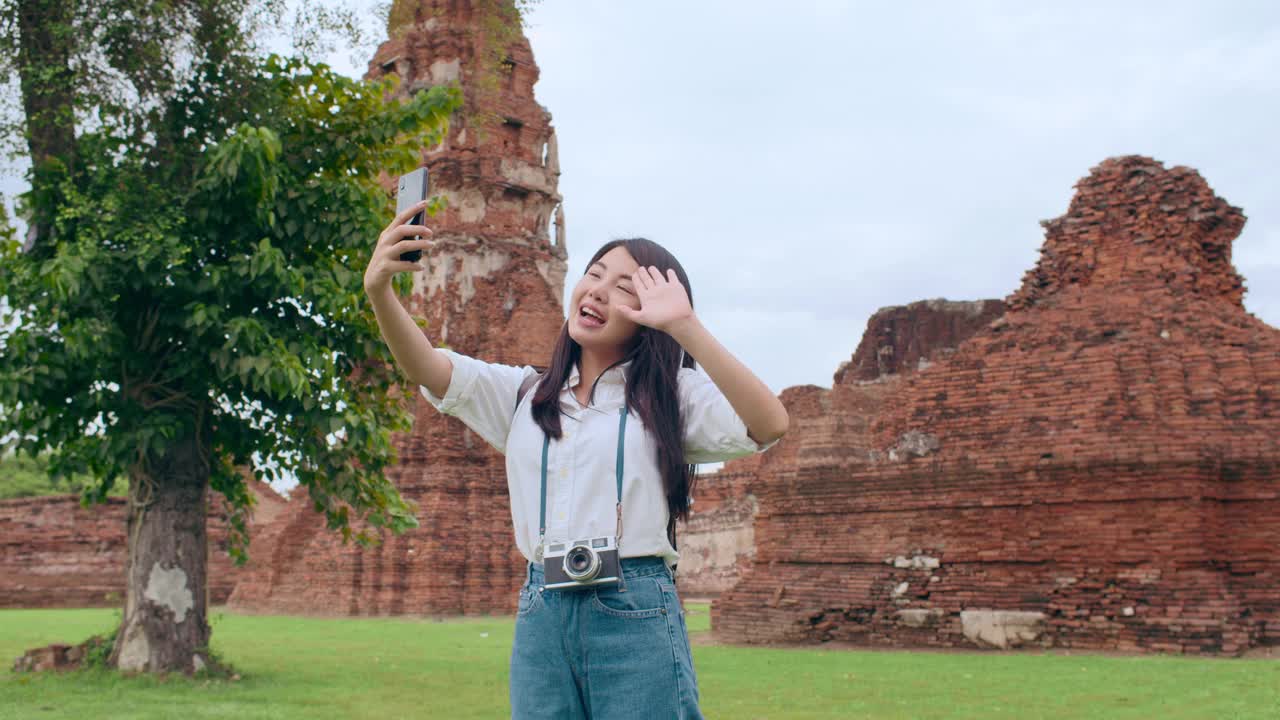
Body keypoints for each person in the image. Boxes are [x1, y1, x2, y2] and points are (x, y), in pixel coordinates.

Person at [364, 199, 789, 719]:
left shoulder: (671, 396)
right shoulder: (526, 395)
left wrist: (685, 326)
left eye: (626, 288)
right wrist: (379, 290)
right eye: (595, 274)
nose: (599, 292)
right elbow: (428, 367)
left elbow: (768, 424)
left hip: (634, 602)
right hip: (542, 606)